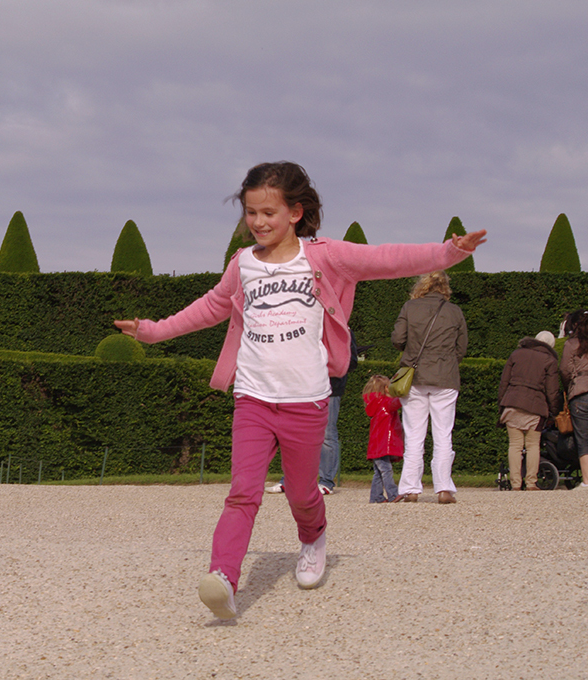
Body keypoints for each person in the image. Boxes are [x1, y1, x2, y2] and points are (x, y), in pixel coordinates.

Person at [114, 161, 486, 620]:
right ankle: (224, 578)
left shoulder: (325, 256)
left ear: (296, 211)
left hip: (306, 399)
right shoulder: (243, 264)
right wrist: (152, 332)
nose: (258, 222)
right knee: (242, 492)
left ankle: (312, 538)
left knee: (302, 493)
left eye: (268, 212)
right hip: (252, 396)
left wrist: (448, 253)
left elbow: (388, 259)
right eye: (251, 213)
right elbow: (210, 306)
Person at [391, 271, 467, 505]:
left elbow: (397, 340)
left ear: (422, 285)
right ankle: (444, 489)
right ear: (445, 288)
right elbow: (461, 348)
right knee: (444, 434)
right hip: (445, 377)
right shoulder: (454, 311)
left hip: (415, 377)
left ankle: (411, 489)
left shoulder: (410, 307)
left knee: (414, 435)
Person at [266, 331, 361, 495]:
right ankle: (289, 480)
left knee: (327, 434)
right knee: (295, 434)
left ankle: (326, 482)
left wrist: (324, 361)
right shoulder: (305, 324)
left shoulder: (341, 328)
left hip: (330, 388)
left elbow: (351, 361)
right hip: (302, 387)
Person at [498, 331, 562, 490]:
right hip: (536, 406)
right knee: (533, 445)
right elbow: (552, 390)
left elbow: (504, 382)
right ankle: (531, 483)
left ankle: (515, 484)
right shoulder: (550, 360)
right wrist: (554, 411)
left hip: (512, 402)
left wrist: (502, 405)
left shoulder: (516, 354)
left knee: (515, 445)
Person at [362, 374, 403, 503]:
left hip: (376, 444)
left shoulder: (374, 403)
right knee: (386, 470)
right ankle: (392, 494)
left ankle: (376, 497)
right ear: (386, 388)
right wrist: (403, 394)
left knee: (378, 473)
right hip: (384, 443)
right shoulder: (385, 402)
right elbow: (395, 403)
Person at [559, 311, 588, 490]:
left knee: (583, 440)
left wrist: (569, 387)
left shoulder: (571, 344)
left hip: (580, 393)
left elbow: (565, 370)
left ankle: (587, 481)